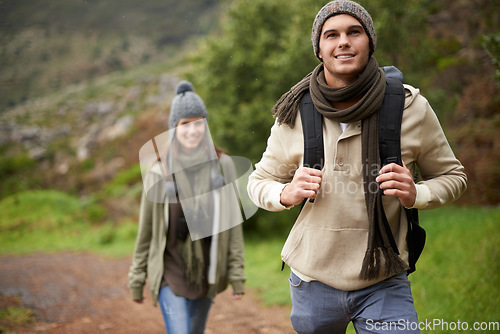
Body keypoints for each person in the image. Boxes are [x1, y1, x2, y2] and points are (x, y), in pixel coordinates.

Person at [247, 1, 467, 333]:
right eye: (331, 35)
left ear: (370, 42)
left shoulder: (410, 107)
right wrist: (286, 193)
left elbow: (454, 176)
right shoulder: (294, 113)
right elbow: (258, 181)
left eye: (355, 32)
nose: (343, 42)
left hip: (384, 277)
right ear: (319, 50)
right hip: (312, 280)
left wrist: (416, 193)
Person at [129, 81, 245, 334]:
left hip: (205, 273)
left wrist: (237, 275)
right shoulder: (158, 173)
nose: (192, 130)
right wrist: (137, 278)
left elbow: (232, 226)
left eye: (198, 122)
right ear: (174, 129)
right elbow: (146, 231)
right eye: (185, 124)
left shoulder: (222, 166)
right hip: (169, 273)